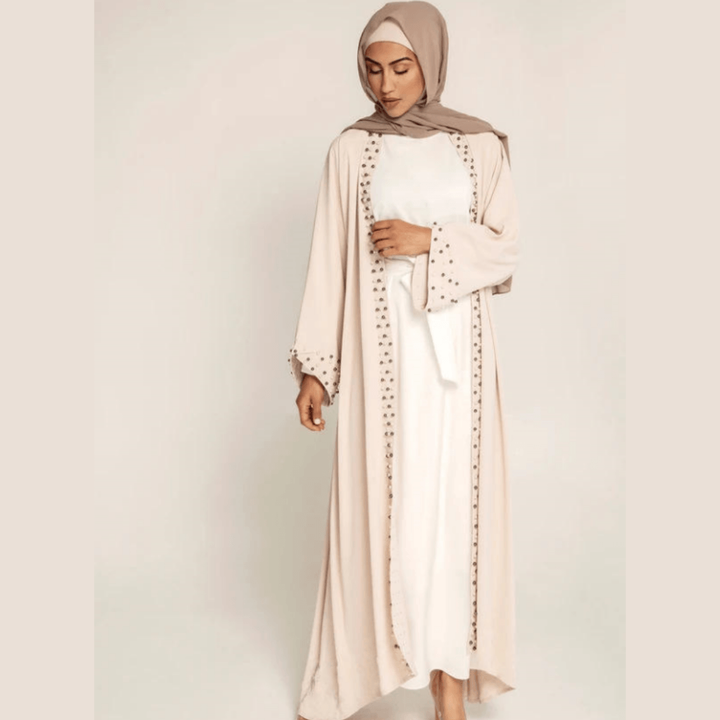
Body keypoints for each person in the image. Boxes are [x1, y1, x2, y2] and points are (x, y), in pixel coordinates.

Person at [287, 3, 520, 719]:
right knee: (397, 512)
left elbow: (505, 250)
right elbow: (330, 257)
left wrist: (430, 240)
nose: (385, 85)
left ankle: (450, 691)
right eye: (373, 69)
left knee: (454, 511)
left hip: (459, 364)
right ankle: (386, 664)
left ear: (430, 63)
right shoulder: (352, 150)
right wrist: (316, 367)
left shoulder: (479, 146)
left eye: (401, 67)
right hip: (384, 361)